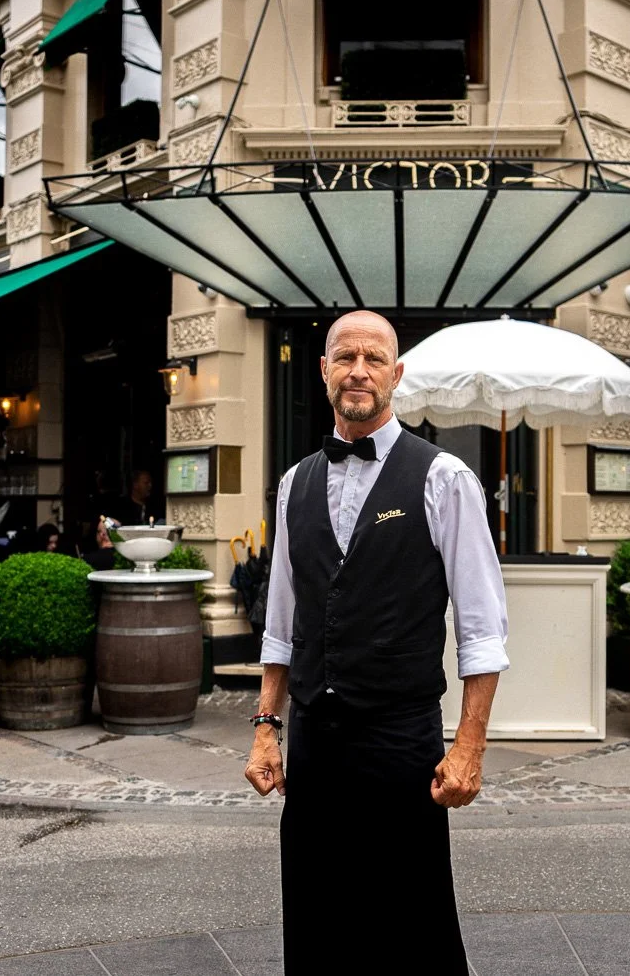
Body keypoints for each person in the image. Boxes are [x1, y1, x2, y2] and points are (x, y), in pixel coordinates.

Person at [245, 310, 509, 974]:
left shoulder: (443, 477)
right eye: (344, 356)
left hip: (399, 738)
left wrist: (469, 747)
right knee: (316, 918)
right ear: (325, 371)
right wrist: (266, 726)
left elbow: (482, 628)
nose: (357, 370)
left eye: (373, 357)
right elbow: (284, 621)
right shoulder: (293, 485)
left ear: (396, 374)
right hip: (316, 743)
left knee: (410, 925)